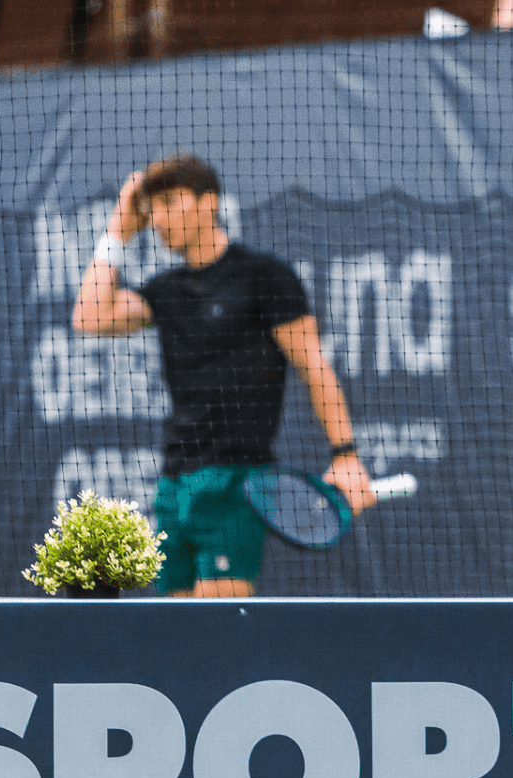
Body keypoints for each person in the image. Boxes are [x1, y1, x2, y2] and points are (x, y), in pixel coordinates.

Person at [72, 154, 374, 596]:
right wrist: (118, 232)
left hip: (237, 484)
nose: (157, 218)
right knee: (173, 637)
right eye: (151, 207)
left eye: (170, 202)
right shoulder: (166, 290)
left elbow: (314, 366)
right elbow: (89, 317)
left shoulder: (265, 277)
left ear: (208, 202)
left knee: (216, 634)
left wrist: (345, 455)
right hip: (174, 485)